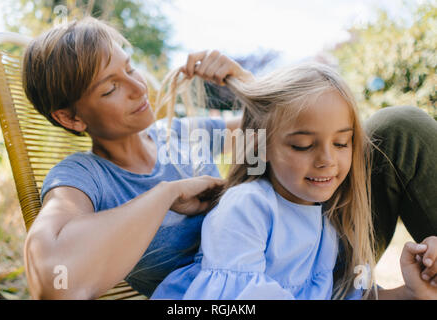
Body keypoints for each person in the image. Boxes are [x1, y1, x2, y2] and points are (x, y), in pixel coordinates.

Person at [21, 16, 436, 300]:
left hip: (311, 259)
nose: (137, 87)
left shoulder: (182, 135)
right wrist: (166, 194)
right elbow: (54, 279)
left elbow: (293, 136)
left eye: (130, 68)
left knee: (399, 128)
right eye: (110, 88)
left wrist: (244, 83)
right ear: (70, 117)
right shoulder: (82, 176)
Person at [150, 63, 437, 300]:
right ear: (260, 147)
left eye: (341, 143)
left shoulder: (328, 215)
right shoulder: (247, 207)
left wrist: (410, 292)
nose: (327, 159)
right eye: (302, 145)